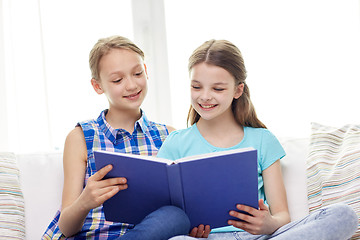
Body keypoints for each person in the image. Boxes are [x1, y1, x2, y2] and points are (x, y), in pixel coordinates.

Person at [157, 39, 358, 240]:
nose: (205, 96)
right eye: (196, 87)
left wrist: (269, 223)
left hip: (258, 237)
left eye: (218, 89)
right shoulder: (175, 143)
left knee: (343, 214)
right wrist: (186, 230)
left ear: (238, 90)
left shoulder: (262, 140)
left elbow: (282, 216)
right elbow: (162, 216)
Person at [42, 35, 190, 240]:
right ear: (98, 86)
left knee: (177, 217)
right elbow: (66, 227)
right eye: (118, 80)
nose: (131, 85)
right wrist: (85, 200)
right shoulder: (81, 137)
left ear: (146, 72)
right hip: (89, 236)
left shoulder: (168, 135)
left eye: (137, 73)